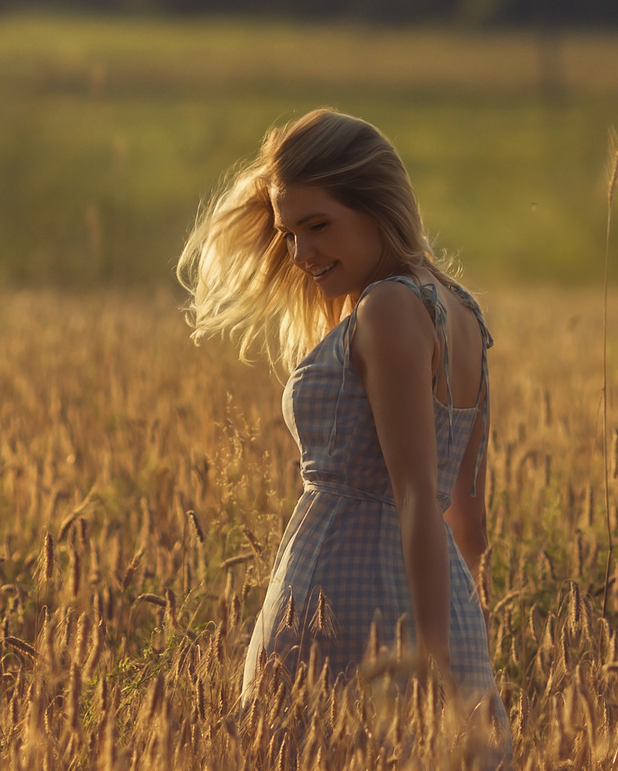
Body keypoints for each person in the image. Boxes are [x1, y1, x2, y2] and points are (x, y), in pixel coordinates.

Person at [178, 108, 500, 725]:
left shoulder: (387, 308)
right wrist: (459, 639)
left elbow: (413, 497)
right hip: (440, 598)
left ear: (378, 206)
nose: (301, 252)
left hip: (348, 602)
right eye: (289, 233)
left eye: (318, 225)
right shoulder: (461, 310)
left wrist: (429, 664)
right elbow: (469, 520)